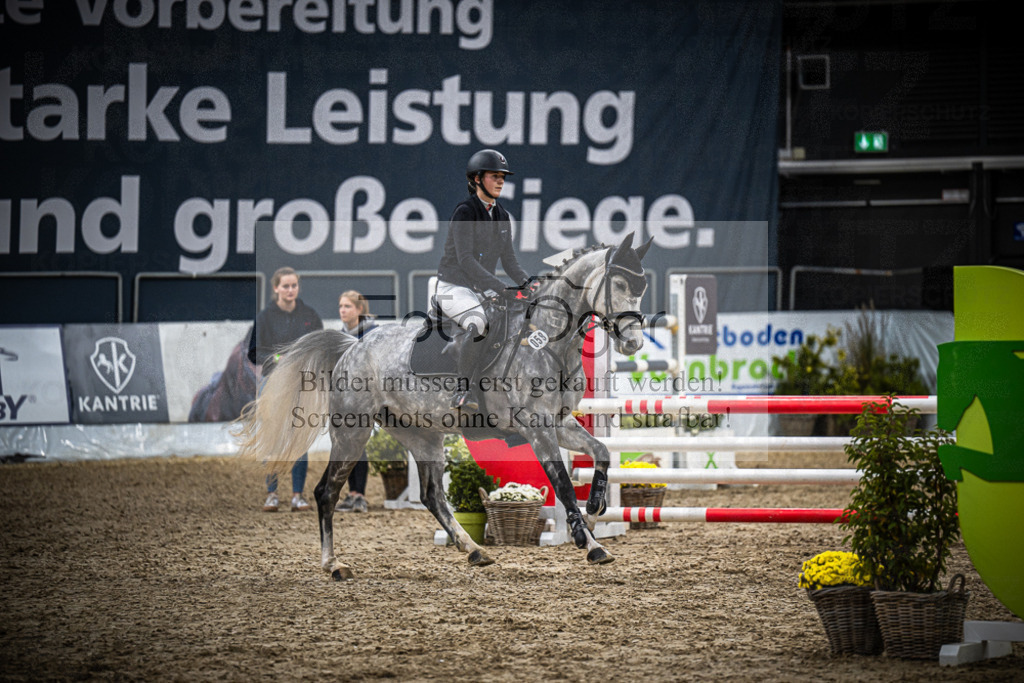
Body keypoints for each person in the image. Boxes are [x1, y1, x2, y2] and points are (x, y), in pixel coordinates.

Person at [434, 149, 533, 411]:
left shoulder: (501, 216)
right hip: (452, 287)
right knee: (478, 324)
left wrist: (528, 282)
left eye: (503, 177)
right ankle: (463, 391)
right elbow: (466, 260)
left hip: (480, 289)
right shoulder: (464, 211)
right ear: (477, 179)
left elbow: (509, 261)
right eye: (494, 176)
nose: (501, 181)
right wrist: (501, 288)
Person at [248, 267, 324, 512]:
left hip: (302, 385)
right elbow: (254, 352)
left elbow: (320, 349)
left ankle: (297, 495)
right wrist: (280, 357)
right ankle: (272, 494)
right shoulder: (265, 317)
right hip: (273, 383)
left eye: (294, 286)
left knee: (299, 439)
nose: (291, 290)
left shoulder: (310, 316)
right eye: (286, 286)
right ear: (276, 288)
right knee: (273, 438)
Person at [334, 290, 377, 514]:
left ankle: (358, 494)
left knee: (356, 445)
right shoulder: (341, 335)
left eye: (347, 306)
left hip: (370, 396)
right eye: (341, 306)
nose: (342, 310)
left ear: (359, 309)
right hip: (349, 397)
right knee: (350, 444)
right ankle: (354, 494)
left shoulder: (373, 334)